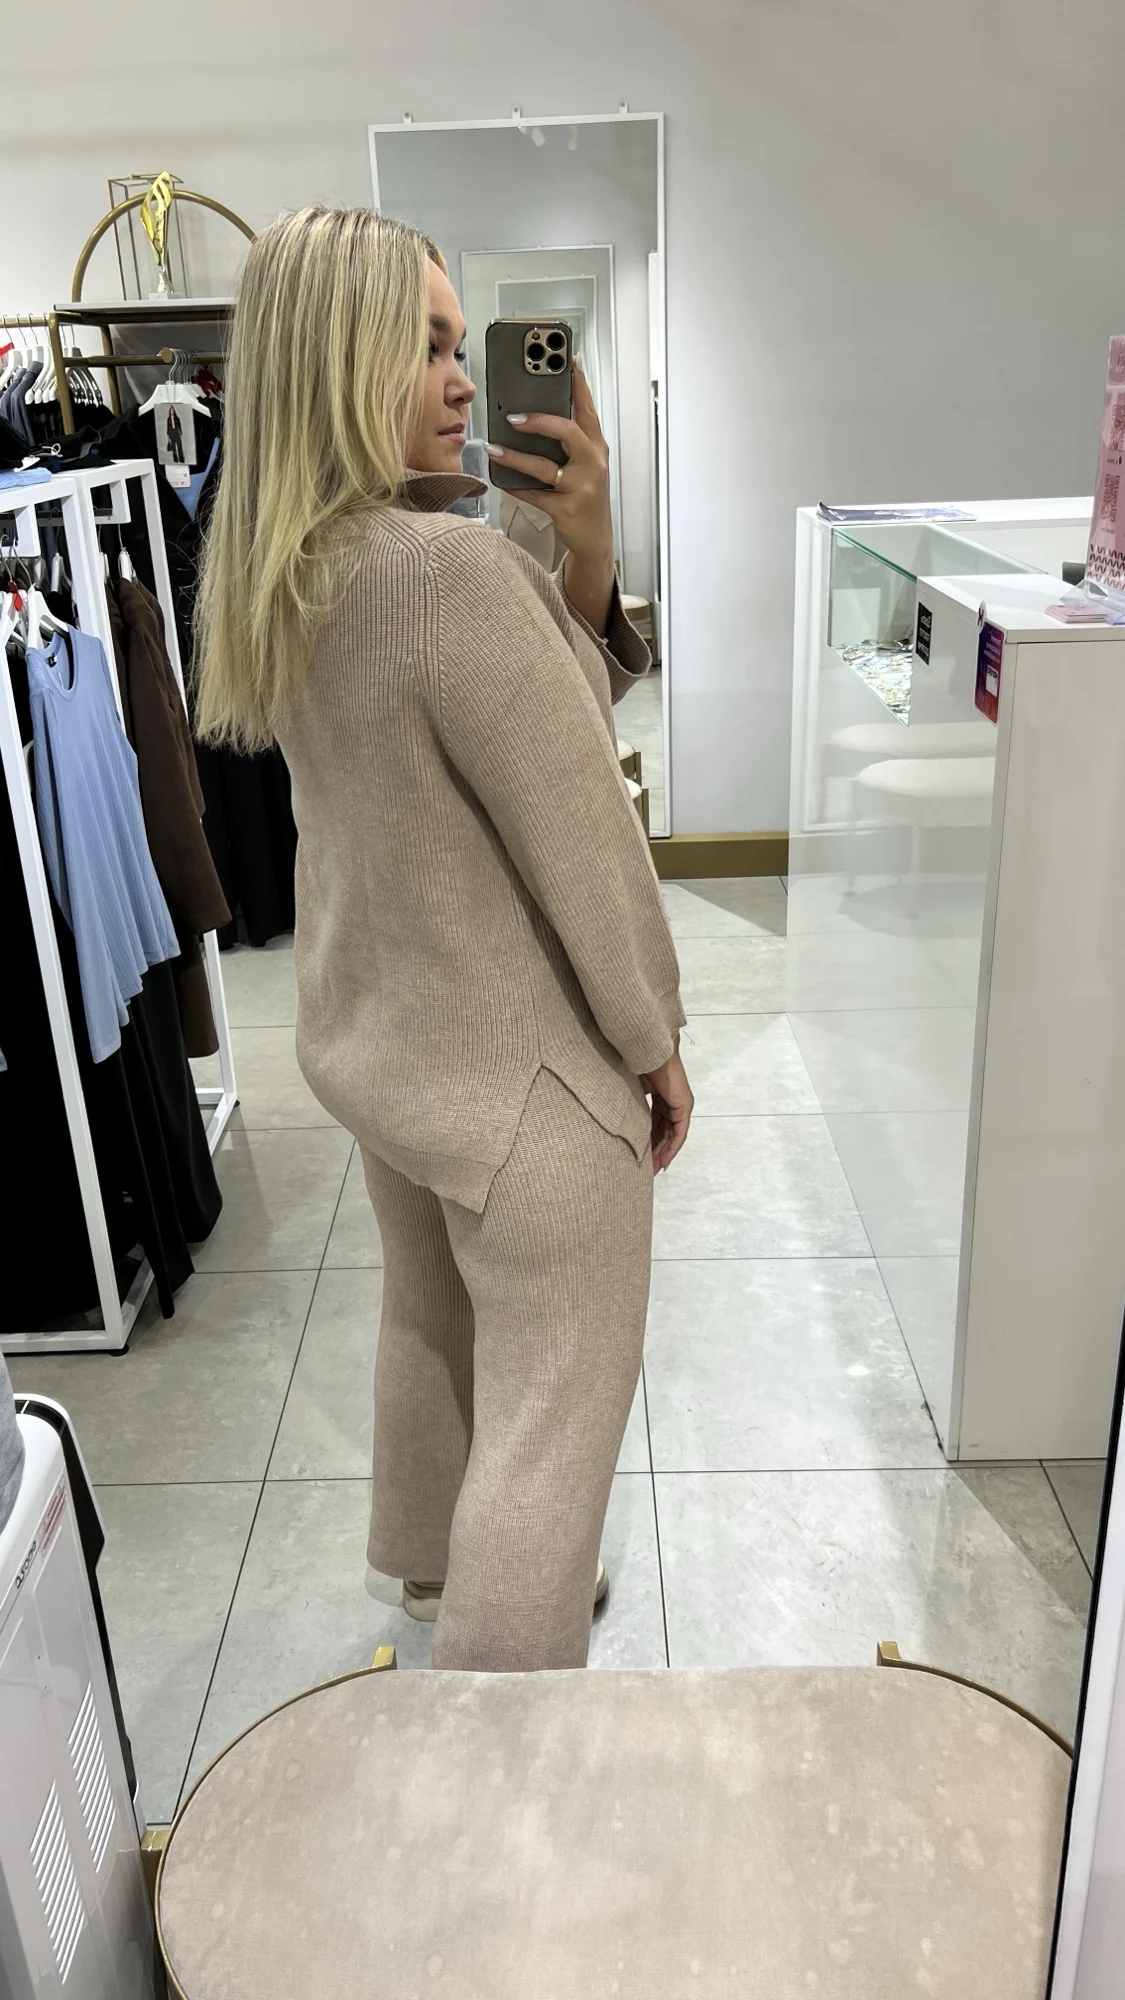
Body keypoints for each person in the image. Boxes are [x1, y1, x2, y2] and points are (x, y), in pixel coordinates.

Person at [195, 207, 692, 1672]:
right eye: (423, 343)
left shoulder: (289, 570)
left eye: (459, 340)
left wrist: (577, 552)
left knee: (429, 1320)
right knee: (552, 1429)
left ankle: (425, 1572)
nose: (466, 376)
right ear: (335, 359)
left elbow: (514, 725)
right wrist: (653, 1042)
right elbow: (581, 826)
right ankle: (496, 1757)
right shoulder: (445, 576)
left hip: (393, 1058)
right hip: (522, 1084)